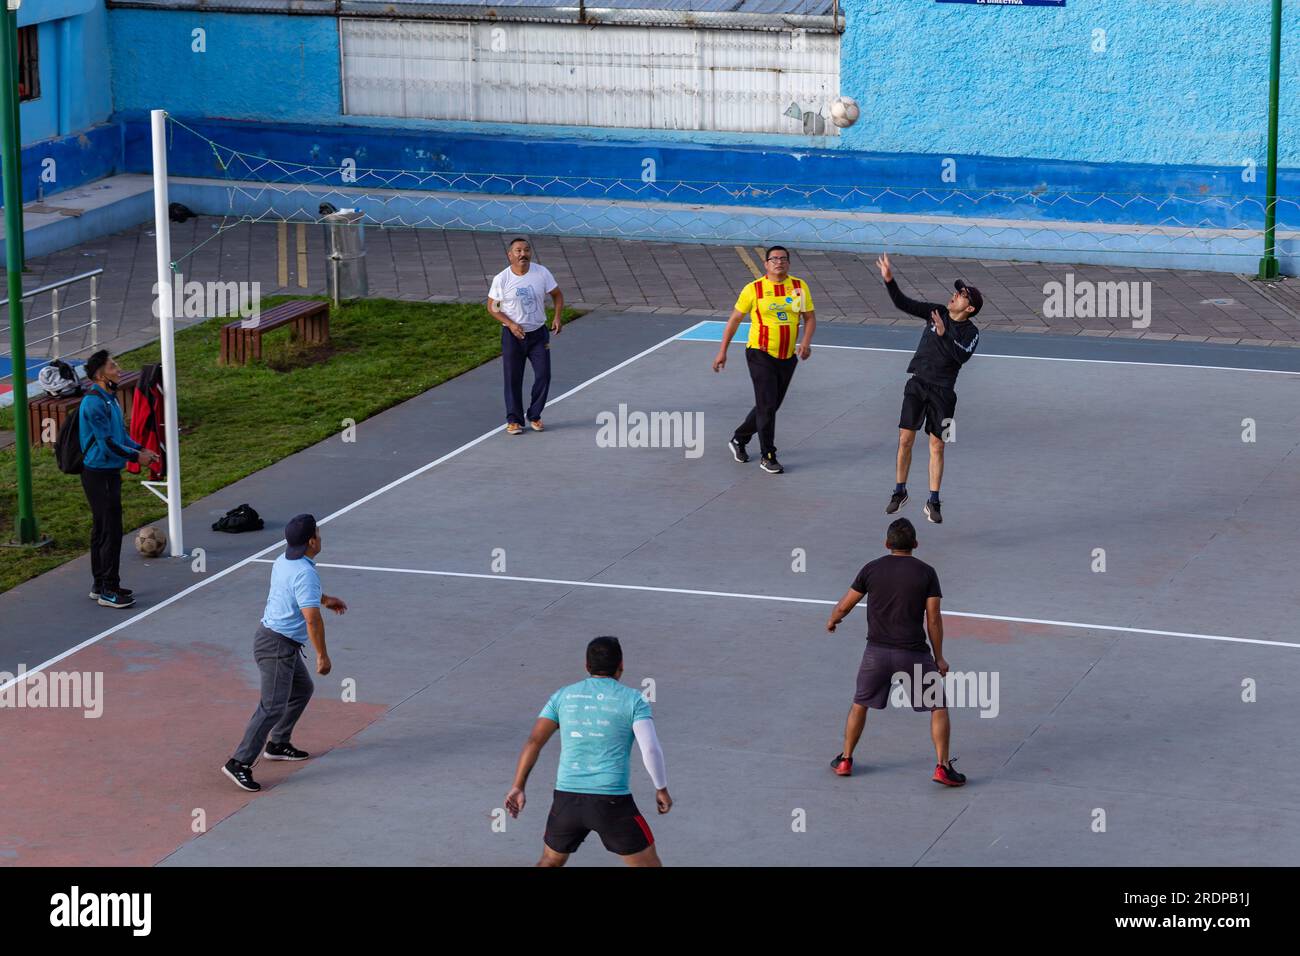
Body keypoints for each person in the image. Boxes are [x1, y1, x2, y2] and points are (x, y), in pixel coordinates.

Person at [505, 636, 671, 866]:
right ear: (621, 665)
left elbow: (534, 741)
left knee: (550, 861)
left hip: (566, 800)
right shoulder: (634, 700)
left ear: (587, 665)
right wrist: (661, 788)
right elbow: (650, 749)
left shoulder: (562, 696)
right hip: (611, 801)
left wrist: (518, 785)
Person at [825, 518, 966, 787]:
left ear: (887, 544)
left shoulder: (871, 569)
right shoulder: (927, 573)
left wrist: (833, 620)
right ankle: (942, 767)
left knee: (860, 703)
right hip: (913, 654)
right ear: (915, 544)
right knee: (938, 707)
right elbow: (933, 618)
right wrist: (939, 657)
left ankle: (845, 759)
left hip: (876, 653)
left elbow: (845, 605)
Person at [222, 514, 347, 792]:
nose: (321, 536)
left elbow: (301, 593)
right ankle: (239, 762)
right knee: (272, 706)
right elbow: (312, 619)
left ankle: (278, 743)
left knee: (302, 690)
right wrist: (322, 656)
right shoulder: (305, 572)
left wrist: (326, 600)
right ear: (312, 541)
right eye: (318, 533)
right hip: (277, 647)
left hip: (279, 643)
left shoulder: (285, 561)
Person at [875, 252, 981, 524]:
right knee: (904, 439)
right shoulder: (937, 311)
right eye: (956, 292)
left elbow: (961, 356)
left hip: (945, 395)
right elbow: (903, 303)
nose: (955, 295)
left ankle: (933, 501)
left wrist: (944, 334)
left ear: (969, 308)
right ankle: (900, 492)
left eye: (962, 295)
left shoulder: (972, 332)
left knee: (938, 445)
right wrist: (889, 280)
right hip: (917, 384)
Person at [712, 245, 816, 474]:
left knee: (770, 405)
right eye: (774, 259)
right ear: (766, 264)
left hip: (787, 356)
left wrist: (806, 342)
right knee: (767, 405)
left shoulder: (798, 287)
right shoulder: (754, 290)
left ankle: (739, 438)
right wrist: (723, 351)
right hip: (760, 353)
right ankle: (768, 456)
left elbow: (809, 318)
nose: (779, 262)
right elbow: (734, 321)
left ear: (788, 263)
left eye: (783, 259)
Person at [79, 350, 160, 609]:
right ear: (101, 375)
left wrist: (140, 448)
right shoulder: (93, 403)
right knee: (109, 531)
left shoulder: (110, 399)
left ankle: (99, 584)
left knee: (102, 529)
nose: (119, 368)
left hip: (108, 473)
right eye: (113, 366)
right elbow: (108, 445)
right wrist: (138, 457)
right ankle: (108, 589)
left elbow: (121, 437)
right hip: (99, 474)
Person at [487, 237, 564, 435]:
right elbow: (493, 307)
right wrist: (511, 324)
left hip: (538, 334)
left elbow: (557, 294)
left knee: (543, 375)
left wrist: (557, 317)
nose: (523, 254)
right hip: (513, 336)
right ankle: (514, 420)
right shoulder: (502, 279)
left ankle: (535, 415)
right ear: (510, 255)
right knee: (513, 378)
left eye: (527, 250)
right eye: (518, 251)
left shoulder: (541, 273)